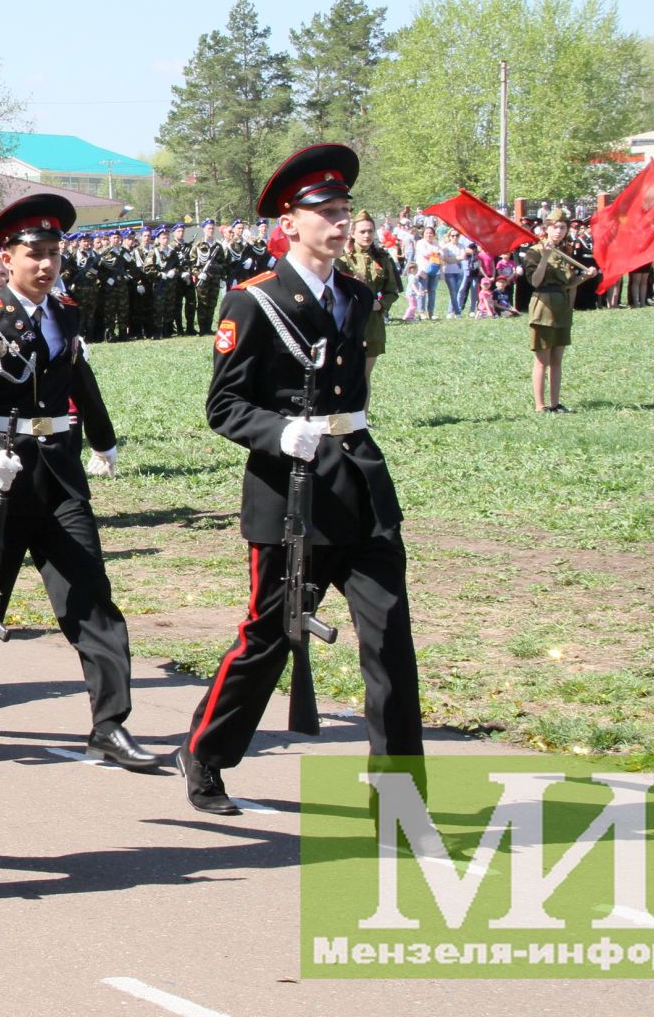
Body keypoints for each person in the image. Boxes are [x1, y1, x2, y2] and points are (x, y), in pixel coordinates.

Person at [177, 143, 422, 815]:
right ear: (290, 223)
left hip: (360, 483)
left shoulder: (356, 293)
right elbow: (223, 405)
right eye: (327, 212)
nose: (341, 223)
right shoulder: (251, 302)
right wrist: (281, 433)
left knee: (390, 639)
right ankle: (205, 753)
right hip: (290, 494)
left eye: (345, 210)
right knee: (268, 636)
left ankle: (399, 800)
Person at [0, 195, 156, 771]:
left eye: (54, 253)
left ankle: (110, 724)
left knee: (90, 594)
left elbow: (79, 377)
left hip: (58, 474)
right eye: (34, 254)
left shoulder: (65, 313)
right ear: (6, 257)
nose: (46, 264)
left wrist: (103, 440)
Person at [517, 209, 593, 414]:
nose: (559, 231)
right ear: (546, 228)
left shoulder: (565, 251)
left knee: (557, 359)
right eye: (555, 227)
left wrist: (585, 277)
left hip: (562, 306)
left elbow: (568, 283)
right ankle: (540, 405)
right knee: (542, 359)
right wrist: (544, 257)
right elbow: (535, 281)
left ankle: (555, 403)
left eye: (563, 227)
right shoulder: (535, 251)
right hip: (543, 306)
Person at [339, 210, 401, 384]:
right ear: (352, 233)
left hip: (372, 324)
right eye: (362, 231)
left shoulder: (381, 258)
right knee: (345, 377)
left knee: (364, 378)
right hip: (347, 321)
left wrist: (381, 304)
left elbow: (392, 290)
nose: (367, 235)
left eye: (370, 231)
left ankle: (362, 413)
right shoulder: (341, 259)